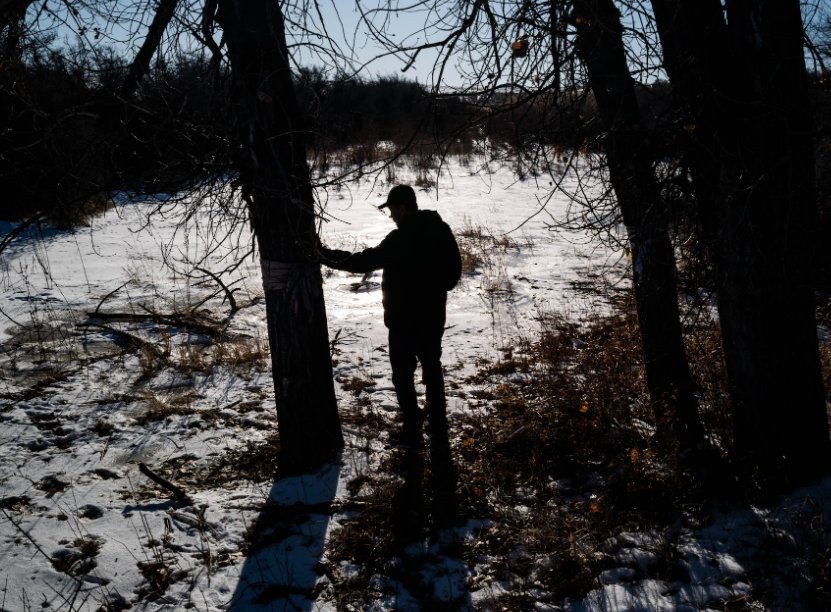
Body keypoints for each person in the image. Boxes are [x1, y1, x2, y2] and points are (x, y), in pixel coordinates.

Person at [318, 184, 462, 446]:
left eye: (392, 210)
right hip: (432, 319)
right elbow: (453, 276)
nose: (391, 215)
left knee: (403, 377)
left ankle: (412, 426)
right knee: (432, 369)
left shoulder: (399, 240)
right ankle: (438, 425)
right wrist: (432, 290)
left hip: (403, 324)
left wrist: (322, 254)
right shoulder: (440, 230)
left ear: (402, 209)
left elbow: (361, 261)